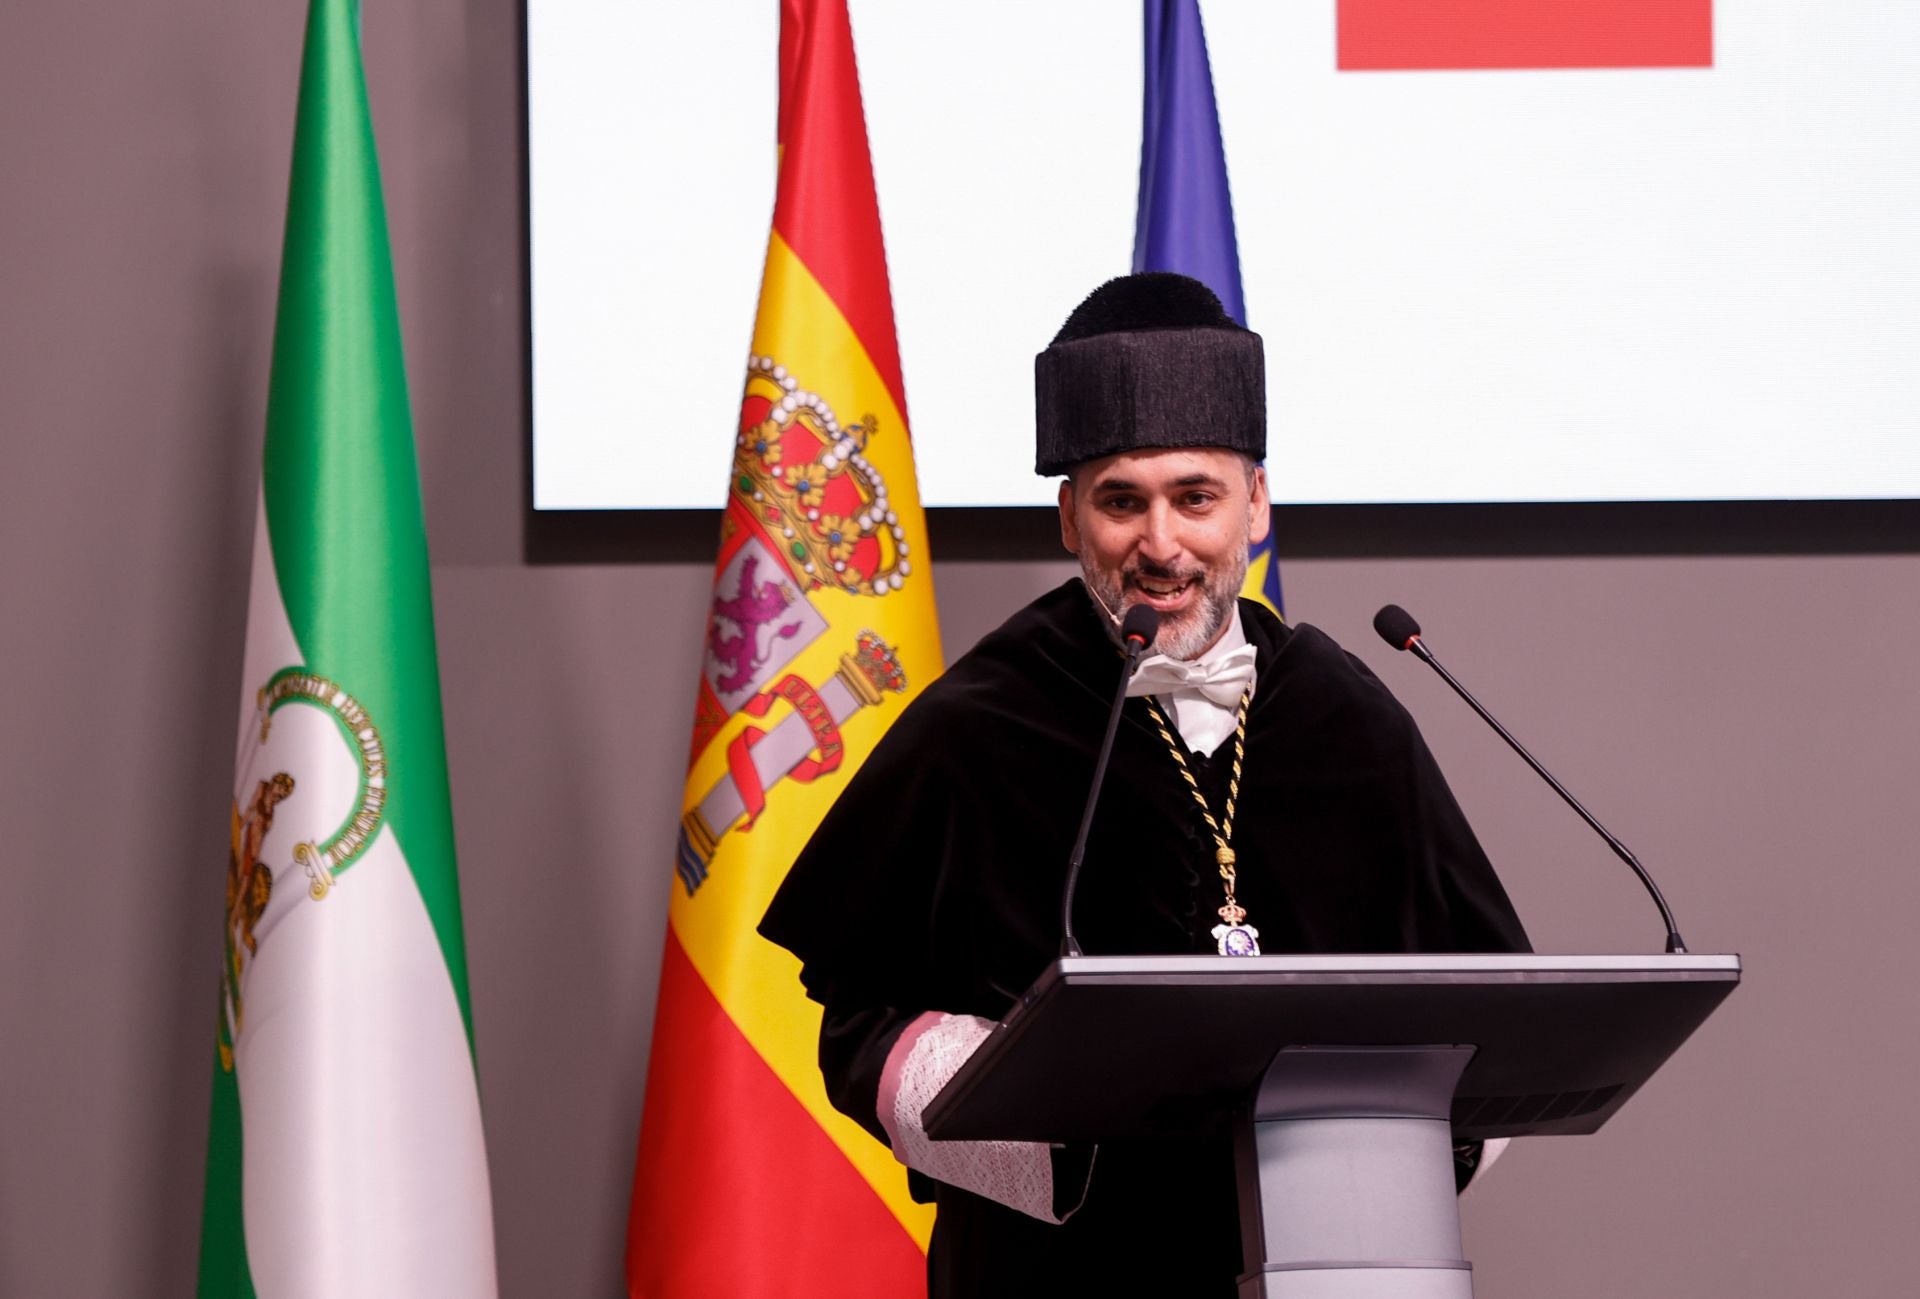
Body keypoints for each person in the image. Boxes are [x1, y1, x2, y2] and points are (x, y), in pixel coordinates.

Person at [759, 272, 1529, 1296]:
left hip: (1323, 1264)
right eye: (1123, 502)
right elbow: (859, 1025)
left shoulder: (1350, 715)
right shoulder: (977, 726)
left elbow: (1492, 1006)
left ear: (1255, 505)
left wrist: (1400, 1150)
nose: (1160, 546)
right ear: (1070, 517)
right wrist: (1047, 1128)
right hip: (1056, 1275)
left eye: (1195, 497)